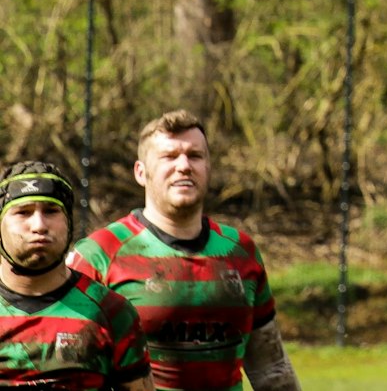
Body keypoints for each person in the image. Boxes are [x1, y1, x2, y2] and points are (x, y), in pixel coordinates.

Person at [67, 113, 298, 391]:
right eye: (169, 156)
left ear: (208, 168)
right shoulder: (99, 254)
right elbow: (71, 371)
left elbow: (272, 368)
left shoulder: (241, 251)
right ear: (141, 172)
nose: (184, 166)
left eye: (195, 155)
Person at [0, 163, 151, 390]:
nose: (39, 225)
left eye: (51, 211)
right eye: (23, 212)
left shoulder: (112, 312)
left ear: (69, 223)